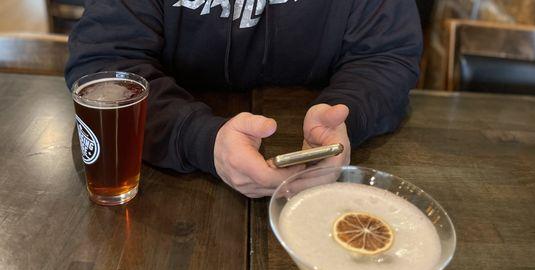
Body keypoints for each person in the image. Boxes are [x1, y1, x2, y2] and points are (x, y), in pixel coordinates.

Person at [65, 0, 422, 198]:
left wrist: (344, 115)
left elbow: (386, 56)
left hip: (322, 184)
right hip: (165, 178)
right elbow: (105, 62)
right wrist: (203, 139)